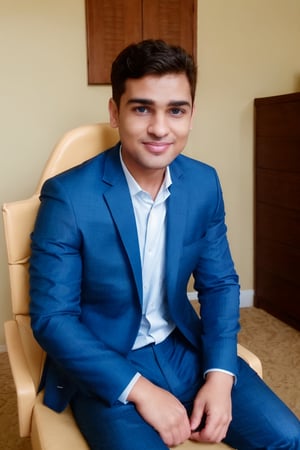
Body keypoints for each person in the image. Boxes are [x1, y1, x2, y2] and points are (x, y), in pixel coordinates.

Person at [29, 39, 300, 450]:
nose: (160, 128)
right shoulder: (67, 196)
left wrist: (221, 375)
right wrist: (139, 389)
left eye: (176, 110)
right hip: (107, 362)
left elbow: (221, 284)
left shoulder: (203, 183)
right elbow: (53, 318)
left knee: (288, 437)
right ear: (114, 113)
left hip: (182, 347)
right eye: (142, 108)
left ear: (192, 114)